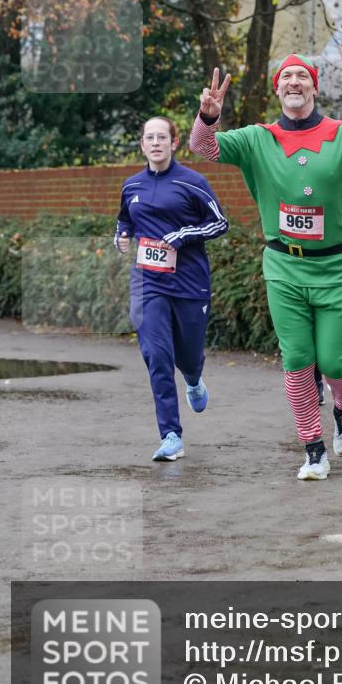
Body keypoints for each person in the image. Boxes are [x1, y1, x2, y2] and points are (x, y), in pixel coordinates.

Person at [189, 55, 342, 480]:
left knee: (332, 362)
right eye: (286, 77)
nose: (294, 83)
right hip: (284, 266)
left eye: (302, 77)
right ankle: (313, 449)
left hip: (334, 267)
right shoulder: (258, 138)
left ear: (314, 88)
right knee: (296, 359)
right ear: (278, 89)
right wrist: (208, 116)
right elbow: (203, 147)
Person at [115, 116, 228, 461]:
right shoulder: (131, 186)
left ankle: (194, 378)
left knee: (188, 354)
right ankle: (171, 435)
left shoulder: (192, 182)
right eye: (149, 137)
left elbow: (220, 222)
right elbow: (125, 220)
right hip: (149, 282)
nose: (155, 143)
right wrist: (120, 236)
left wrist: (185, 235)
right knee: (157, 356)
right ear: (142, 144)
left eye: (162, 137)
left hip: (190, 284)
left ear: (174, 142)